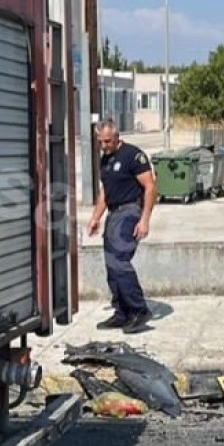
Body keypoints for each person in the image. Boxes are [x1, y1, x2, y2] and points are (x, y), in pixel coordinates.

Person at [86, 121, 158, 333]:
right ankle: (122, 312)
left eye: (107, 141)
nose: (104, 146)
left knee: (119, 261)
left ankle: (139, 310)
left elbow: (150, 187)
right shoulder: (105, 160)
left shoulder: (133, 156)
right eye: (100, 142)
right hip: (113, 213)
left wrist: (144, 219)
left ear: (117, 137)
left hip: (130, 212)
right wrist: (95, 218)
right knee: (110, 264)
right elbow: (105, 193)